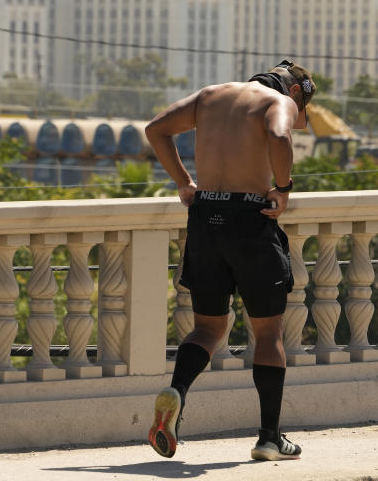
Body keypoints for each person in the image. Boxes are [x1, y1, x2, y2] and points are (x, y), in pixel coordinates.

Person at [144, 60, 315, 462]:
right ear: (295, 92)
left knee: (207, 328)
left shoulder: (209, 95)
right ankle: (270, 438)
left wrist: (185, 183)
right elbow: (278, 135)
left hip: (205, 217)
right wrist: (284, 188)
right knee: (268, 334)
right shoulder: (278, 101)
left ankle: (177, 392)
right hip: (249, 220)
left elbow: (155, 130)